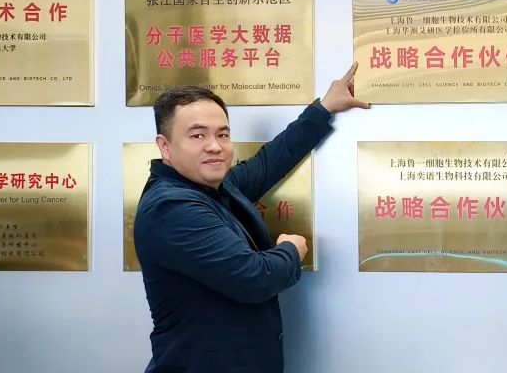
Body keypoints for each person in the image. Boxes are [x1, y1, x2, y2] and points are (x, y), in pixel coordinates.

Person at [134, 63, 369, 373]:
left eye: (222, 134)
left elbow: (268, 163)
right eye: (198, 135)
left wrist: (324, 108)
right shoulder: (171, 208)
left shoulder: (214, 187)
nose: (214, 146)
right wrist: (291, 249)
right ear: (165, 146)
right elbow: (254, 278)